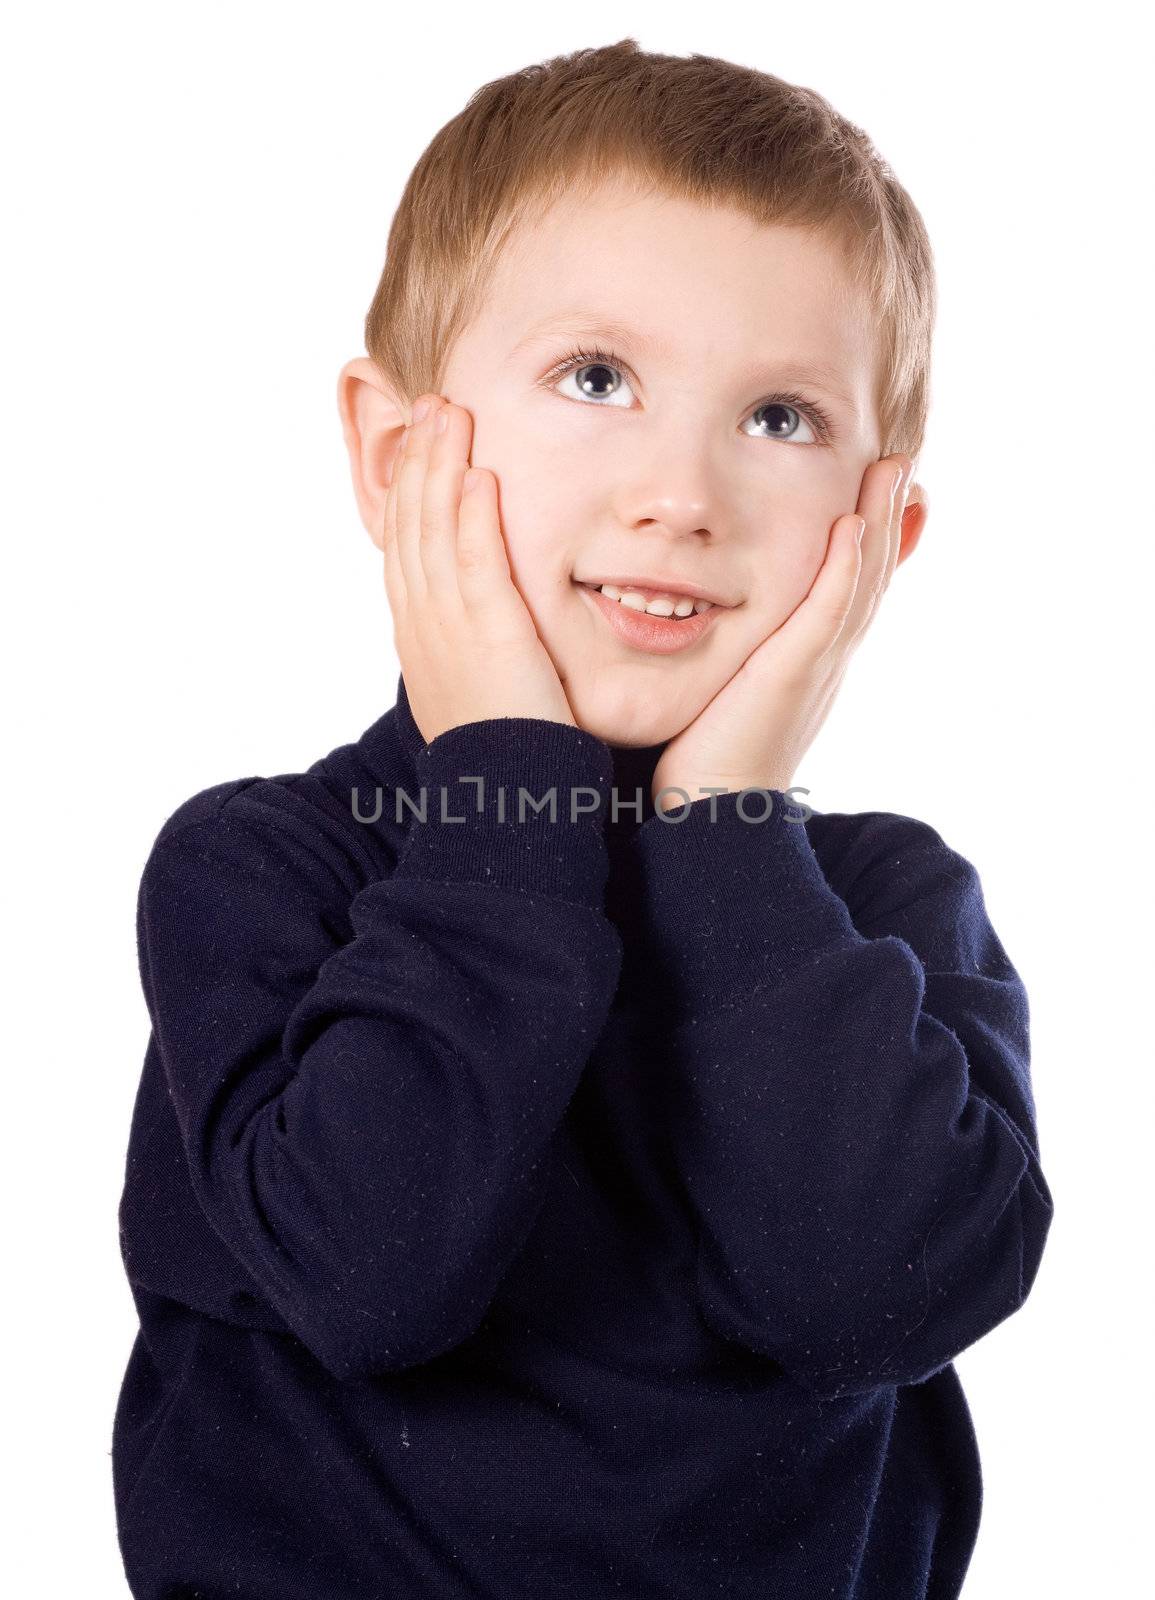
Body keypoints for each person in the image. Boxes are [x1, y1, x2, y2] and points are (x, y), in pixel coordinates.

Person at [112, 38, 1055, 1599]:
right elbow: (374, 1278)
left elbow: (866, 1302)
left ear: (884, 533)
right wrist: (508, 786)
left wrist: (729, 830)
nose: (681, 492)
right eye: (596, 380)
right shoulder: (264, 868)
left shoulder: (893, 905)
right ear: (390, 450)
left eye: (780, 418)